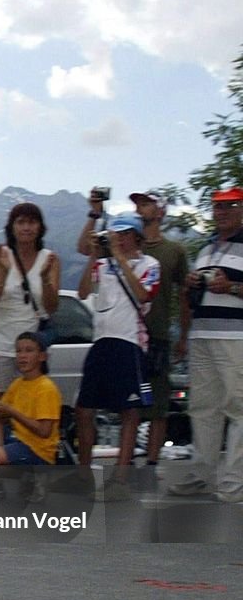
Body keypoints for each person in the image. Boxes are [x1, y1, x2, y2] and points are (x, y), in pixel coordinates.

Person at [75, 214, 160, 501]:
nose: (119, 240)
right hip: (101, 341)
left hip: (129, 343)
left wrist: (120, 259)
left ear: (136, 236)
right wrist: (94, 257)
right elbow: (83, 291)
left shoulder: (149, 265)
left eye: (124, 235)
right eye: (115, 235)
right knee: (84, 409)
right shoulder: (103, 264)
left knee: (130, 412)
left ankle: (121, 478)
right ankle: (83, 473)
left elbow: (144, 295)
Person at [167, 187, 243, 503]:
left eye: (229, 206)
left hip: (236, 337)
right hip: (202, 335)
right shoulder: (207, 249)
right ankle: (203, 475)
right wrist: (190, 285)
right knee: (203, 408)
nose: (222, 212)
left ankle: (234, 482)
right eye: (217, 206)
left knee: (239, 408)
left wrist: (234, 286)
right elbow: (191, 298)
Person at [128, 191, 190, 468]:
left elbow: (184, 295)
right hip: (127, 335)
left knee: (159, 406)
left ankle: (152, 463)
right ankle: (124, 462)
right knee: (128, 403)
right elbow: (87, 250)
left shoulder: (174, 251)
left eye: (146, 203)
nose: (141, 208)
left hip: (160, 333)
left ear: (161, 211)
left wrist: (184, 336)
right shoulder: (126, 245)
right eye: (138, 204)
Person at [0, 202, 60, 400]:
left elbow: (51, 308)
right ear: (12, 227)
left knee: (28, 410)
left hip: (30, 350)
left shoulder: (50, 259)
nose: (26, 228)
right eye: (21, 222)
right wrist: (5, 271)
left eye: (32, 222)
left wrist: (43, 279)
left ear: (40, 227)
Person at [0, 331, 61, 472]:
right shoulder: (18, 383)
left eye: (29, 351)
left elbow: (44, 431)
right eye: (18, 351)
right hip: (17, 437)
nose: (22, 356)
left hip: (36, 449)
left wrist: (11, 411)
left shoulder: (46, 388)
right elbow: (3, 417)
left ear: (42, 356)